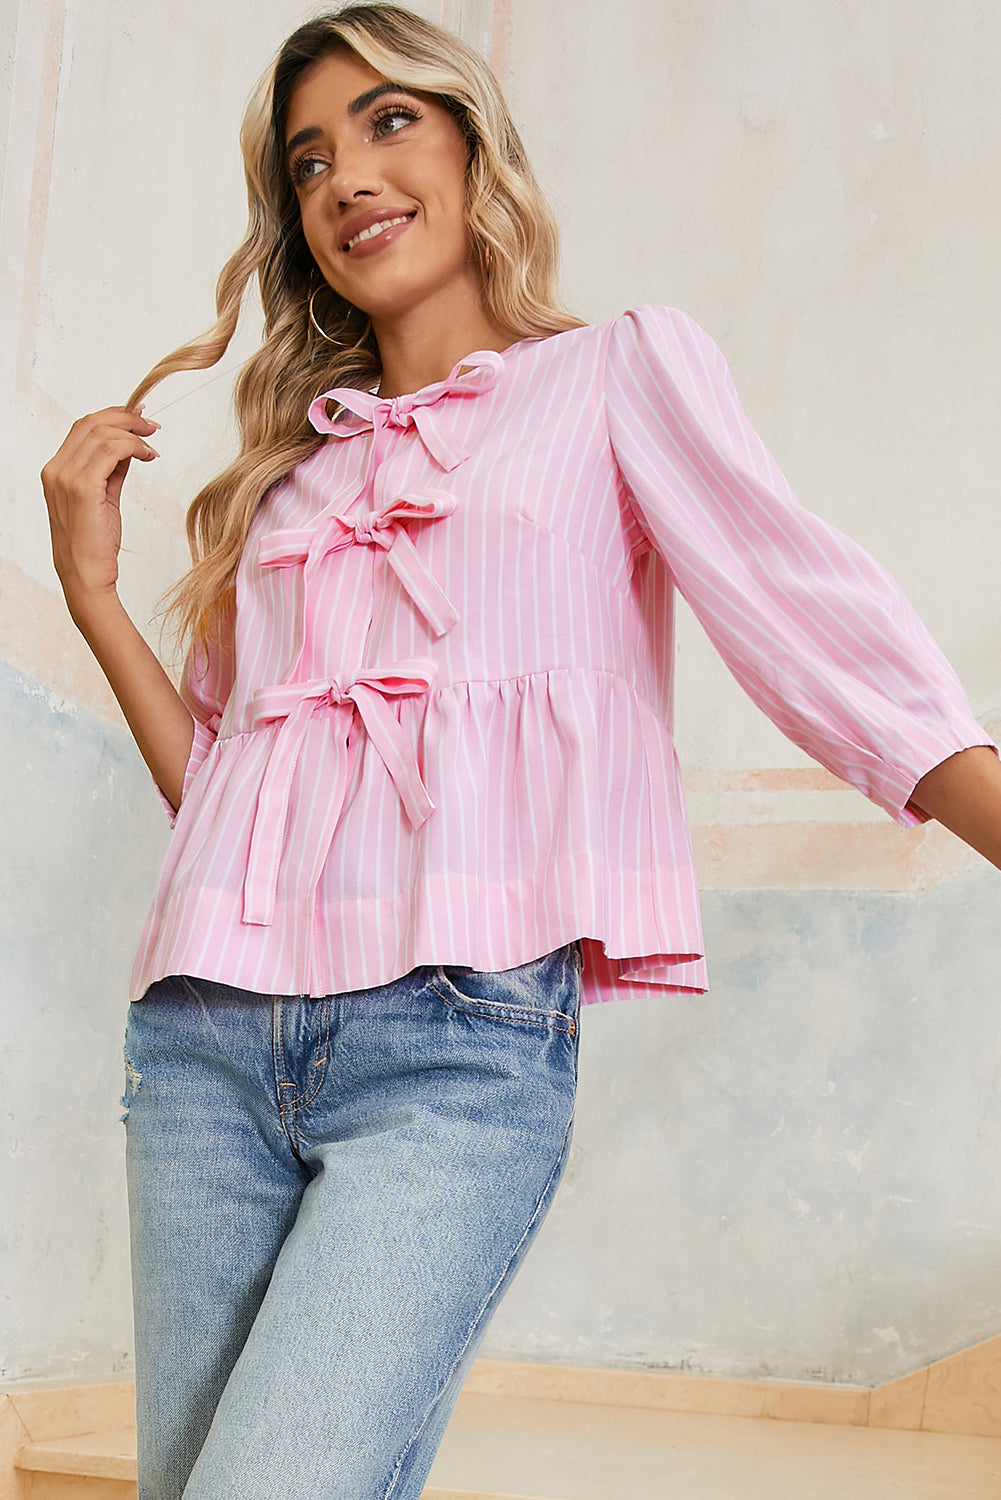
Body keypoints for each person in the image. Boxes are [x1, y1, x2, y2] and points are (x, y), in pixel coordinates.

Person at [39, 4, 1001, 1497]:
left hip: (452, 1045)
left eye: (389, 121)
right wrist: (96, 598)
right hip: (202, 1046)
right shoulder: (290, 480)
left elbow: (803, 614)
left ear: (474, 143)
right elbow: (223, 791)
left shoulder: (615, 374)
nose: (348, 176)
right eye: (309, 160)